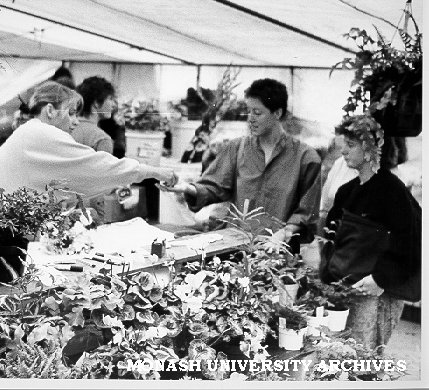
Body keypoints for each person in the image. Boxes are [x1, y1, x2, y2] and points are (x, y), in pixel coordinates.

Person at [159, 78, 322, 245]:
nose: (250, 118)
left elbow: (307, 211)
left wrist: (284, 233)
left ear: (277, 113)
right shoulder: (237, 148)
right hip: (236, 245)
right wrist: (187, 187)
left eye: (257, 113)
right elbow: (216, 185)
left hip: (276, 249)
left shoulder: (305, 158)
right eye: (248, 111)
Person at [0, 81, 177, 202]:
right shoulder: (42, 133)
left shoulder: (30, 131)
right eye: (70, 113)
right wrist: (155, 172)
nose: (75, 121)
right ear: (51, 110)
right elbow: (98, 167)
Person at [323, 114, 420, 353]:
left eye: (351, 144)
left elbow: (411, 242)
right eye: (343, 143)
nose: (343, 150)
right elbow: (332, 238)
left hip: (378, 291)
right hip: (348, 287)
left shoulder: (392, 191)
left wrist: (380, 279)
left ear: (370, 149)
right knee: (342, 354)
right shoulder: (347, 191)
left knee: (367, 359)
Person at [71, 76, 115, 153]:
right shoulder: (102, 139)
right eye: (110, 99)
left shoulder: (66, 129)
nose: (113, 104)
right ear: (97, 103)